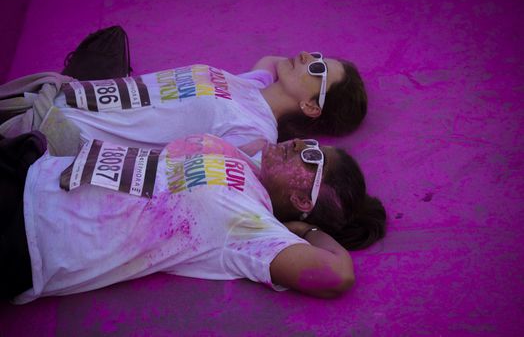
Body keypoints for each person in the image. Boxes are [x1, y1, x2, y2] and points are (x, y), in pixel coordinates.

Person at [1, 132, 385, 303]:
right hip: (34, 169)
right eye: (313, 145)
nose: (303, 144)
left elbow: (337, 275)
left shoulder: (252, 226)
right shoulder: (246, 163)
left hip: (27, 230)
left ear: (303, 198)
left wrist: (305, 229)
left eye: (312, 159)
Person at [0, 51, 367, 155]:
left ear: (311, 107)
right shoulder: (251, 83)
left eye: (317, 68)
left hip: (49, 135)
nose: (306, 55)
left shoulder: (254, 132)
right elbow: (270, 61)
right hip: (64, 97)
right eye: (316, 54)